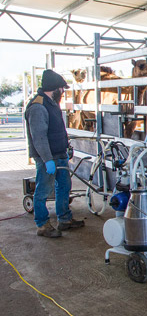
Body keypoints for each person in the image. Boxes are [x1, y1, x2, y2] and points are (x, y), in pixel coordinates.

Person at [24, 69, 84, 238]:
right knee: (43, 190)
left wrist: (65, 146)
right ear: (55, 88)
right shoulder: (38, 106)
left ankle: (64, 219)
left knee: (64, 187)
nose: (63, 92)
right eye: (62, 88)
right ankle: (42, 225)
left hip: (60, 154)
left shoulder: (51, 103)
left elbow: (56, 130)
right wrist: (47, 160)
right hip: (47, 157)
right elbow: (39, 137)